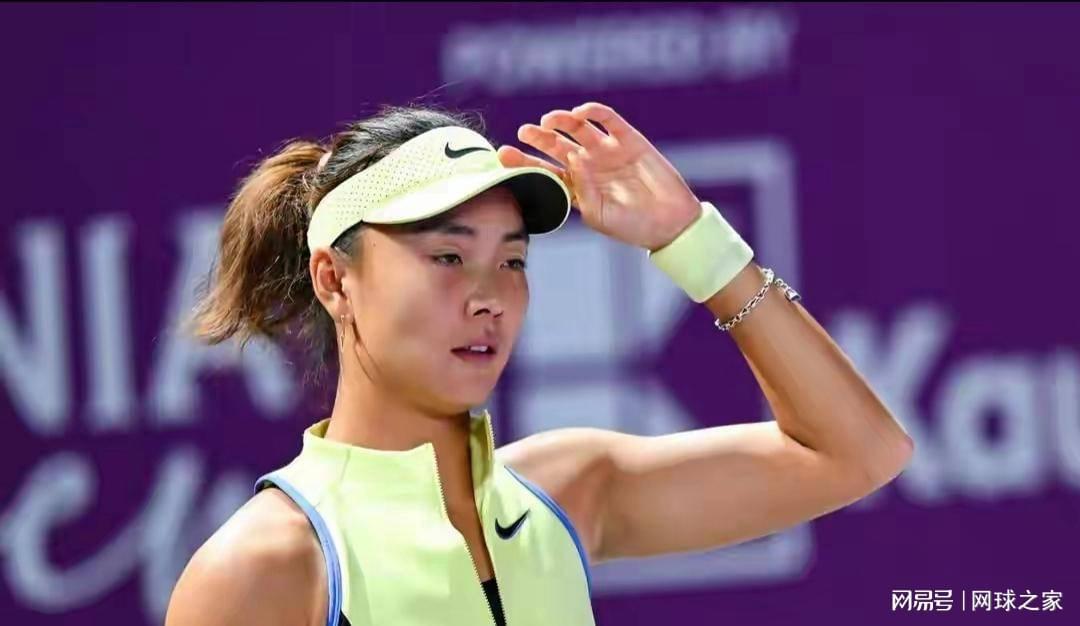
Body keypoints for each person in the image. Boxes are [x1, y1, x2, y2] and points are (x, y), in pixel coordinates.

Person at [164, 101, 914, 626]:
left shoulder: (566, 491)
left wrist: (694, 244)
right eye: (448, 257)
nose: (489, 297)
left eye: (512, 261)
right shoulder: (261, 567)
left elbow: (860, 453)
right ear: (334, 280)